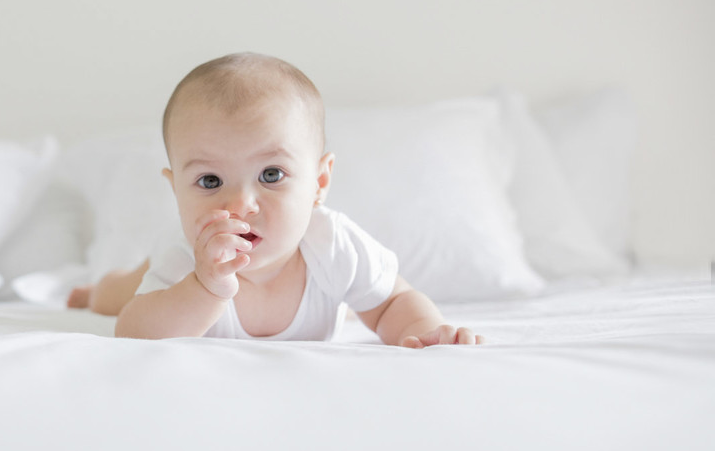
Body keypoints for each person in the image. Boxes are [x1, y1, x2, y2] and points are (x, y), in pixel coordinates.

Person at [68, 52, 485, 347]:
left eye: (271, 175)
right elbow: (135, 333)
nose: (239, 205)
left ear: (319, 182)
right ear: (176, 188)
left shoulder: (332, 245)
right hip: (173, 274)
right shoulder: (188, 258)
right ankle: (95, 290)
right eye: (210, 180)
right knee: (121, 292)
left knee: (366, 299)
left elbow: (392, 302)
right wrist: (205, 287)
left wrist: (425, 331)